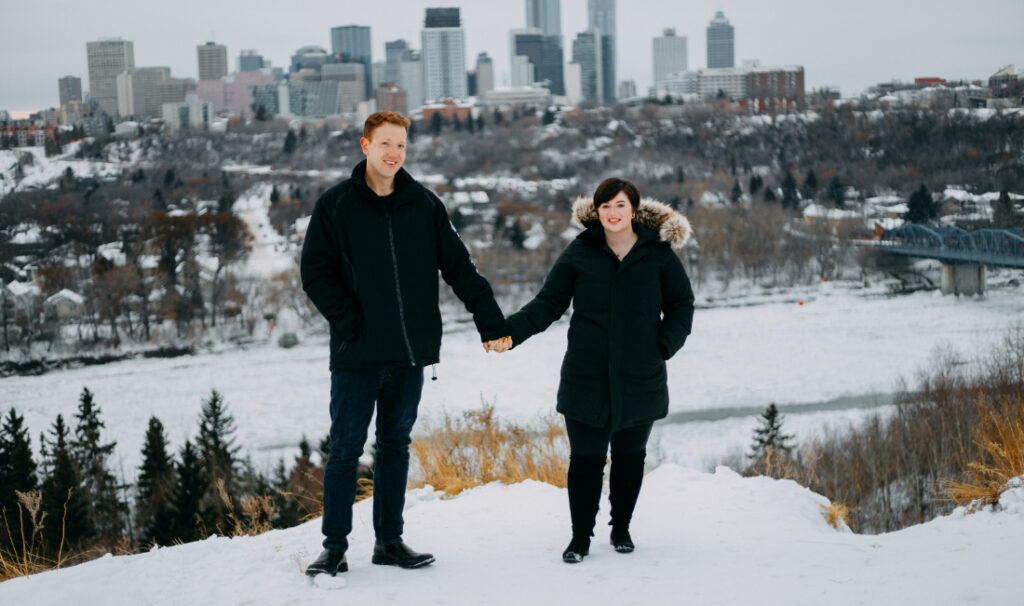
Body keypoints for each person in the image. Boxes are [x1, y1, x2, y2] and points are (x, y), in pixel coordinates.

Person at [300, 111, 509, 577]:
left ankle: (389, 542)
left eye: (402, 145)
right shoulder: (336, 205)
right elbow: (314, 273)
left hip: (409, 354)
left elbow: (459, 266)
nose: (394, 153)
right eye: (386, 144)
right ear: (365, 145)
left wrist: (490, 321)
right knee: (345, 451)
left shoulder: (424, 205)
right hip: (356, 356)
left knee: (394, 446)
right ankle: (334, 548)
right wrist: (352, 325)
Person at [496, 177, 695, 563]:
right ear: (596, 211)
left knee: (629, 456)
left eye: (620, 205)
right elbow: (547, 304)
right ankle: (579, 538)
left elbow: (681, 305)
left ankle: (621, 528)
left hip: (640, 376)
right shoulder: (580, 253)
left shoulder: (658, 254)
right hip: (586, 376)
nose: (613, 213)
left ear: (633, 209)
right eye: (606, 206)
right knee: (585, 460)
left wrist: (662, 347)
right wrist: (509, 333)